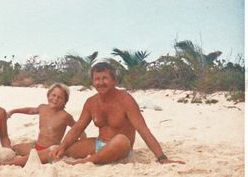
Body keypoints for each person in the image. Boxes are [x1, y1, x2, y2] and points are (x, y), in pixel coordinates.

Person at [50, 62, 185, 165]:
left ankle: (85, 162)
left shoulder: (125, 100)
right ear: (92, 81)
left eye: (105, 78)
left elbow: (143, 130)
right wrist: (62, 147)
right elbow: (78, 128)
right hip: (99, 145)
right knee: (58, 150)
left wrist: (162, 158)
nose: (101, 82)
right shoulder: (91, 102)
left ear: (114, 80)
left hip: (121, 150)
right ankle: (30, 159)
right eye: (97, 79)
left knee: (121, 140)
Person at [0, 83, 86, 167]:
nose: (55, 99)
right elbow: (30, 110)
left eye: (60, 97)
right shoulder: (43, 108)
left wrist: (80, 143)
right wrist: (14, 111)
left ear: (65, 101)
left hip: (50, 151)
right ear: (48, 95)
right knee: (15, 148)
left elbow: (78, 129)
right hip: (37, 146)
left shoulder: (65, 116)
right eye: (53, 95)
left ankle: (4, 164)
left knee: (30, 158)